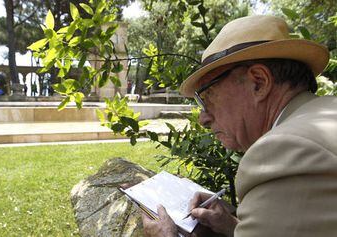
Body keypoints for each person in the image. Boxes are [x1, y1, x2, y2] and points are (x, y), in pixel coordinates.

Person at [142, 15, 337, 237]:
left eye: (207, 97)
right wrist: (232, 226)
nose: (203, 119)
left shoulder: (282, 151)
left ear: (259, 82)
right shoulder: (325, 111)